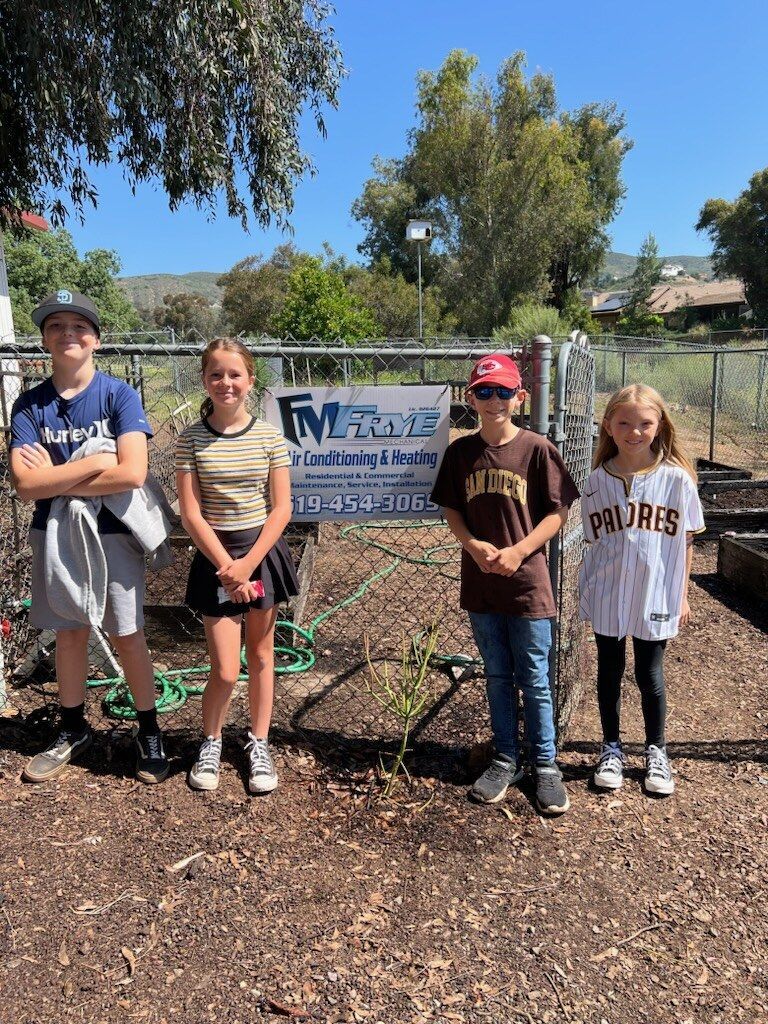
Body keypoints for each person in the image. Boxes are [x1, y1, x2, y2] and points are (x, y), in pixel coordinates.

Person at [10, 289, 170, 784]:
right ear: (44, 341)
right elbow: (24, 485)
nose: (67, 334)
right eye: (55, 326)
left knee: (126, 634)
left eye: (78, 326)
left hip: (113, 535)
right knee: (70, 633)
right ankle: (73, 727)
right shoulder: (30, 404)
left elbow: (131, 473)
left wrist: (65, 474)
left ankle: (149, 731)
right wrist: (98, 461)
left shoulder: (118, 395)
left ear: (95, 339)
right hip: (55, 534)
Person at [431, 354, 579, 814]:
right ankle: (504, 757)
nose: (493, 400)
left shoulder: (536, 448)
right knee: (496, 674)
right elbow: (452, 508)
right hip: (482, 582)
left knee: (533, 676)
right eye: (483, 391)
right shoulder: (460, 452)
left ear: (520, 396)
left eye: (502, 391)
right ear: (470, 397)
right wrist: (473, 544)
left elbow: (557, 513)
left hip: (527, 582)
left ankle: (546, 765)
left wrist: (518, 551)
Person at [175, 338, 298, 794]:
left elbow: (282, 508)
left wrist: (249, 564)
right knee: (225, 669)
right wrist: (229, 567)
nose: (225, 383)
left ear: (250, 380)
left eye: (234, 374)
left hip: (261, 555)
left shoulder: (268, 436)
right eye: (215, 374)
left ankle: (259, 743)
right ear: (204, 380)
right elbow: (190, 513)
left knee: (262, 657)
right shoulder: (190, 438)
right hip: (216, 558)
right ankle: (211, 741)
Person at [579, 384, 704, 796]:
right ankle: (611, 748)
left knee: (649, 674)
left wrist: (682, 594)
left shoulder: (676, 480)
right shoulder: (596, 481)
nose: (635, 431)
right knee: (609, 671)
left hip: (656, 592)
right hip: (608, 592)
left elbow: (686, 540)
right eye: (625, 423)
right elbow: (594, 542)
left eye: (645, 423)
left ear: (659, 425)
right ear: (609, 427)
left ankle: (657, 751)